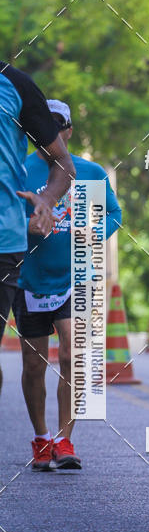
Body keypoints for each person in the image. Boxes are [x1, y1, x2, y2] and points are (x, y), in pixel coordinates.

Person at [13, 99, 121, 470]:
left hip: (77, 276)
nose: (53, 134)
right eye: (45, 126)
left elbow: (114, 214)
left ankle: (65, 440)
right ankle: (42, 438)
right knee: (33, 364)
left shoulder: (89, 173)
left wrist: (92, 235)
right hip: (30, 278)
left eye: (60, 126)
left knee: (74, 357)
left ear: (70, 131)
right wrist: (24, 228)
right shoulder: (18, 170)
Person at [0, 62, 74, 396]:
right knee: (35, 362)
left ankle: (58, 437)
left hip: (6, 244)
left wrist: (45, 202)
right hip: (31, 271)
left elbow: (63, 165)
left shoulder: (15, 84)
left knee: (71, 355)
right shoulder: (28, 165)